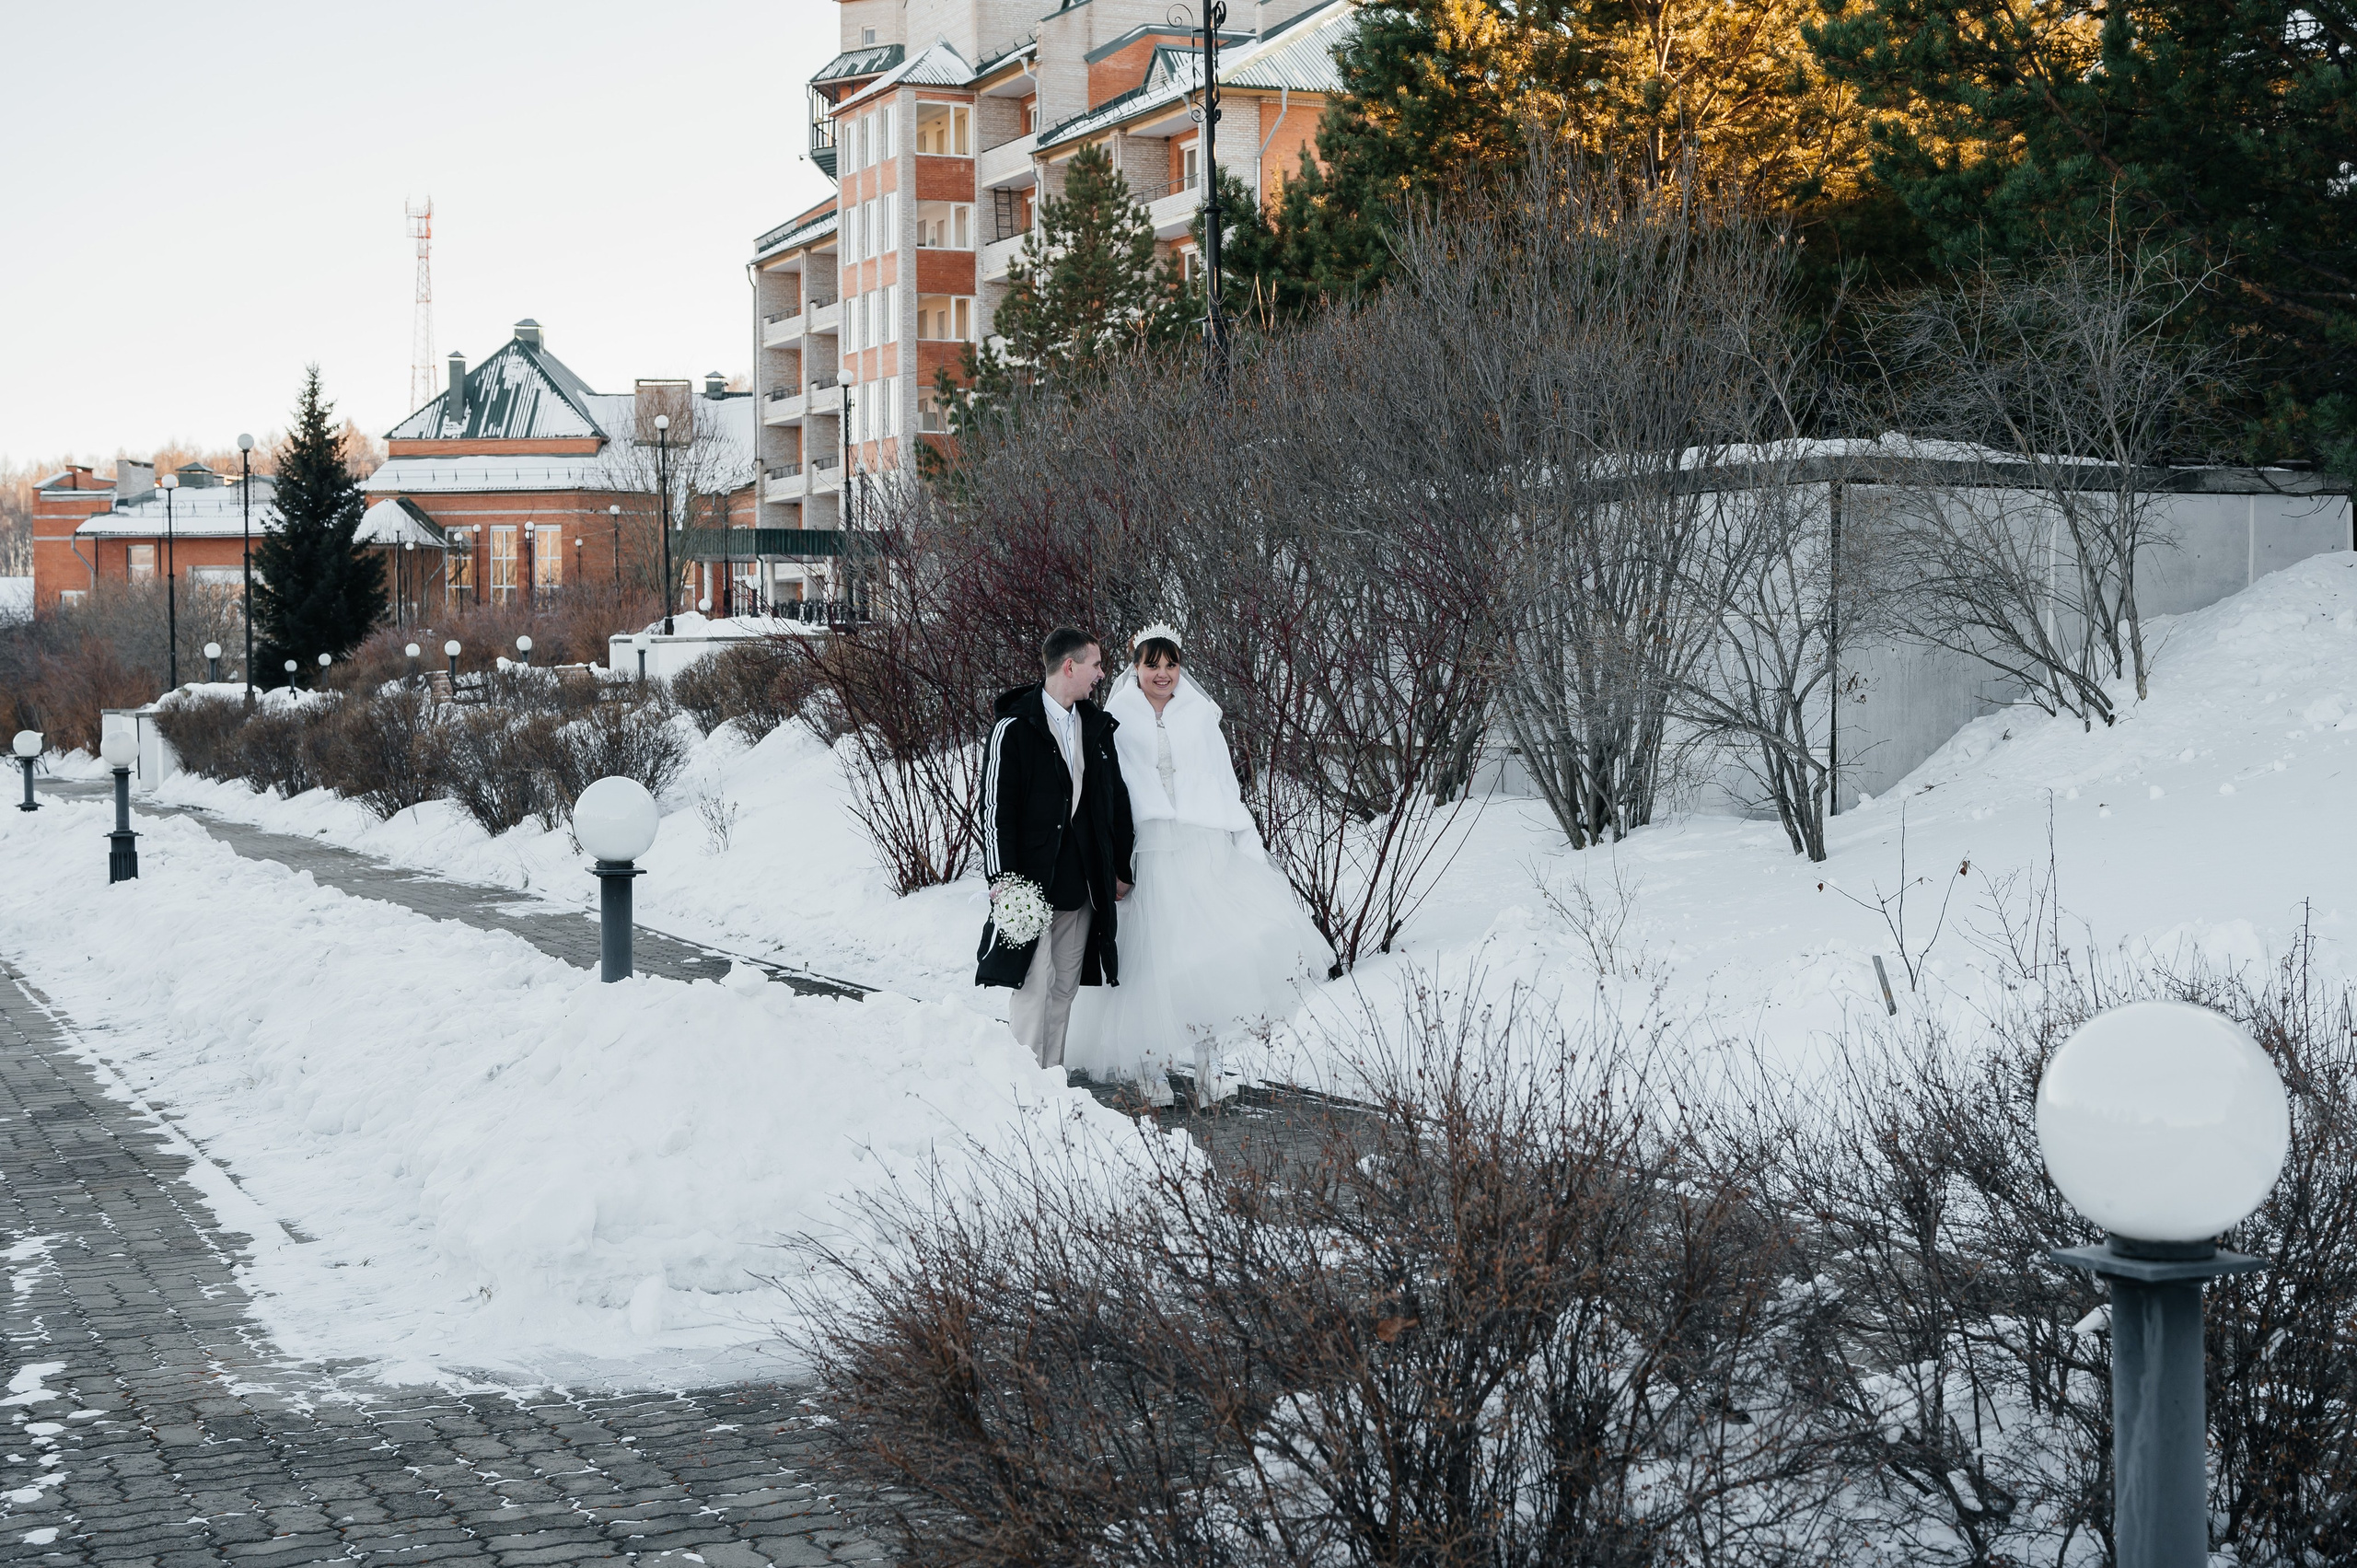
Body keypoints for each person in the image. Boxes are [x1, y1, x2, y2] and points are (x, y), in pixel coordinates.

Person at [1067, 625, 1334, 1105]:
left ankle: (1211, 1071)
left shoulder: (1201, 715)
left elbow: (1224, 782)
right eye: (1153, 665)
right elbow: (1107, 793)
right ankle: (1149, 1067)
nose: (1163, 674)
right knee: (1152, 962)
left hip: (1201, 844)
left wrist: (1245, 843)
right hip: (1147, 850)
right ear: (1136, 667)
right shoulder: (1114, 718)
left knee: (1208, 957)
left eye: (1171, 664)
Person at [981, 626, 1135, 1070]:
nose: (1101, 675)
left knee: (1064, 987)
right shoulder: (1013, 728)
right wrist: (1004, 881)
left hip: (1081, 883)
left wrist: (1118, 868)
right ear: (1070, 666)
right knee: (1032, 985)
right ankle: (1023, 1093)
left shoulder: (1096, 727)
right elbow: (996, 810)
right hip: (1029, 884)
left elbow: (1115, 801)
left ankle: (1051, 1085)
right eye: (1096, 665)